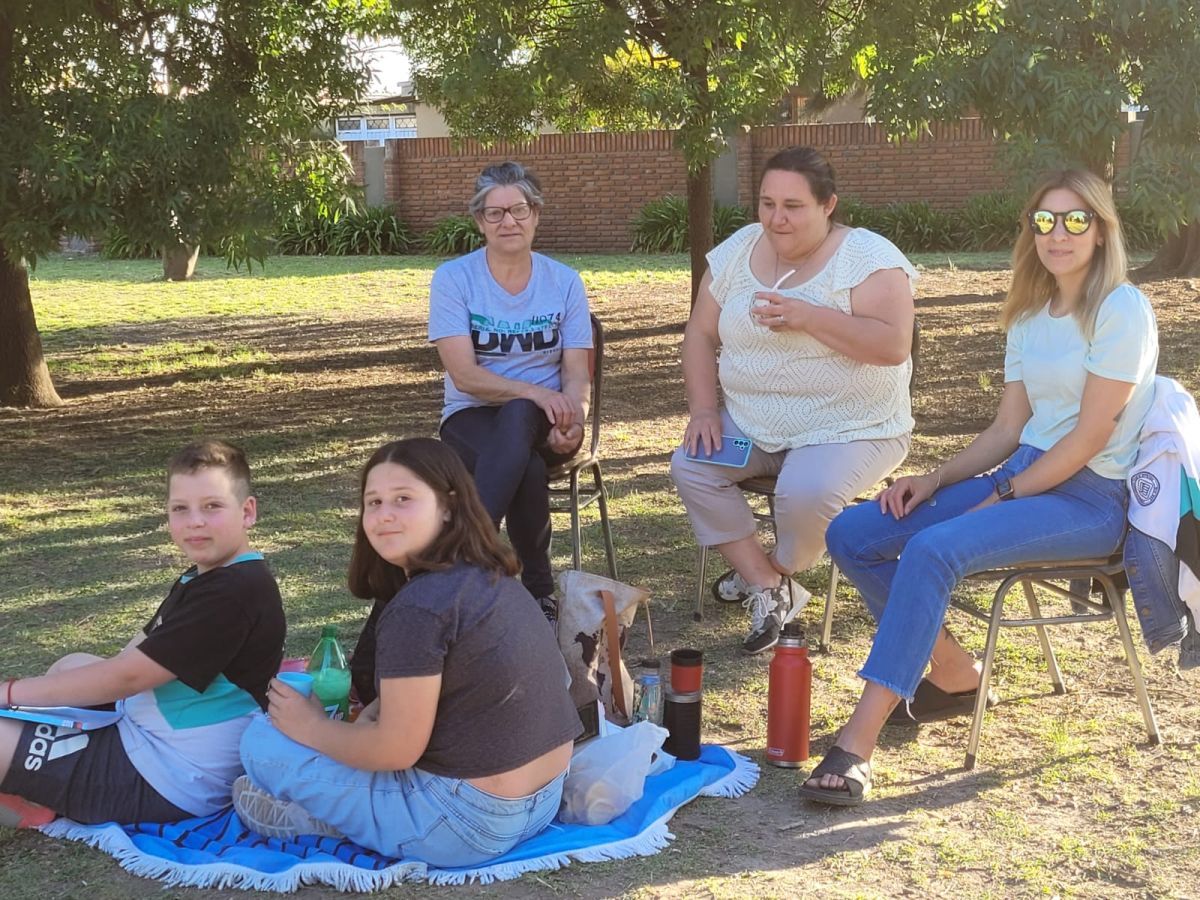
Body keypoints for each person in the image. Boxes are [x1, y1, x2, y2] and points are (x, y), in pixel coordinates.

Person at [802, 169, 1159, 806]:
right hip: (1026, 470)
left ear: (1102, 231)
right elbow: (1007, 428)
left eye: (1075, 220)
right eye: (1044, 220)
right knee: (854, 532)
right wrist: (934, 478)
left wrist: (1006, 494)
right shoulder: (1030, 314)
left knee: (933, 549)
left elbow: (1088, 438)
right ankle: (954, 672)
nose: (1058, 234)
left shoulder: (1121, 308)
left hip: (1092, 497)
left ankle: (857, 744)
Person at [233, 438, 581, 867]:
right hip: (544, 800)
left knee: (260, 742)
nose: (385, 515)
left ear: (448, 506)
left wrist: (311, 727)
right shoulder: (492, 577)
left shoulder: (420, 605)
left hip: (464, 824)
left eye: (403, 499)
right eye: (374, 502)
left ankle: (329, 817)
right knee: (352, 736)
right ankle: (357, 811)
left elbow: (396, 752)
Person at [671, 146, 916, 654]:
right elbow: (699, 333)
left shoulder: (868, 259)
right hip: (753, 426)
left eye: (793, 206)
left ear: (828, 205)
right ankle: (767, 584)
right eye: (767, 204)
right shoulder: (738, 251)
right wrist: (704, 410)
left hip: (849, 427)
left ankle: (774, 569)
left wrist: (809, 317)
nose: (776, 219)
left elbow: (893, 346)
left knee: (805, 494)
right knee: (693, 466)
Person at [0, 440, 285, 827]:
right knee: (72, 664)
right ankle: (37, 782)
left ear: (247, 511)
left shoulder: (233, 592)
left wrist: (9, 693)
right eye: (180, 508)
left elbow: (127, 678)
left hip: (167, 776)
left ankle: (34, 799)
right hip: (145, 732)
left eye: (212, 506)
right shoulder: (208, 576)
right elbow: (132, 656)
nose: (195, 521)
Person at [429, 161, 593, 619]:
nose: (509, 222)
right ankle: (539, 593)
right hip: (471, 417)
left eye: (519, 210)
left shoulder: (564, 282)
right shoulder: (454, 279)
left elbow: (577, 373)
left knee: (523, 421)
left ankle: (463, 563)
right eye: (495, 213)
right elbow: (465, 375)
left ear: (535, 214)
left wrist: (575, 420)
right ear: (479, 221)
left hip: (547, 423)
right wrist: (538, 395)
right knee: (526, 462)